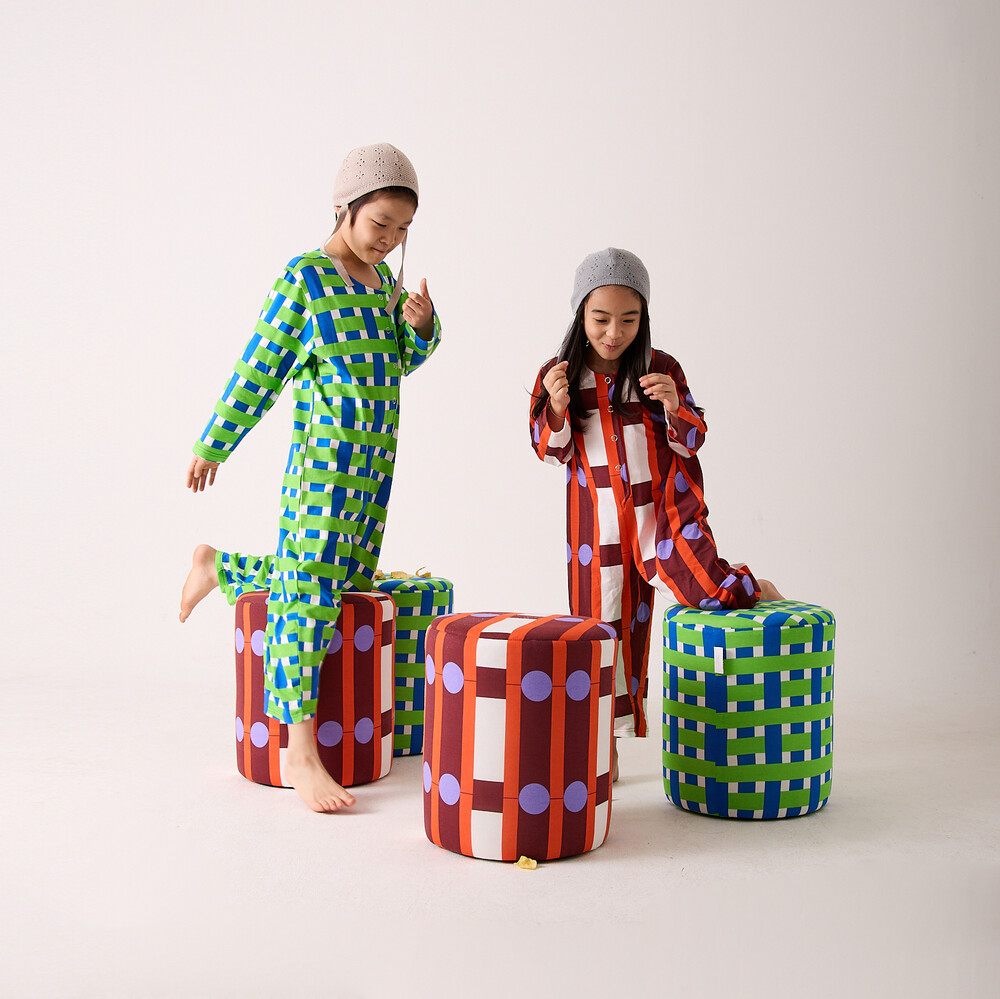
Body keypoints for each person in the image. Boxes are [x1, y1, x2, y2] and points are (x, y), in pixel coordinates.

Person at [180, 143, 441, 813]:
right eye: (380, 222)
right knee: (309, 597)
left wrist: (421, 329)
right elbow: (260, 367)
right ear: (343, 207)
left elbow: (394, 362)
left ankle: (218, 565)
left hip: (374, 468)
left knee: (342, 579)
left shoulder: (382, 286)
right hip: (325, 470)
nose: (390, 239)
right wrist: (215, 443)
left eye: (403, 229)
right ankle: (299, 750)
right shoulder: (307, 280)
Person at [529, 248, 782, 780]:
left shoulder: (660, 367)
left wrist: (673, 406)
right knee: (602, 633)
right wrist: (556, 408)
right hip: (596, 527)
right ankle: (606, 744)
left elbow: (693, 440)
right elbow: (550, 451)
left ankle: (751, 586)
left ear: (643, 317)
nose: (613, 333)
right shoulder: (558, 375)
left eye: (628, 319)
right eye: (601, 319)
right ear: (580, 314)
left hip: (664, 515)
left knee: (706, 589)